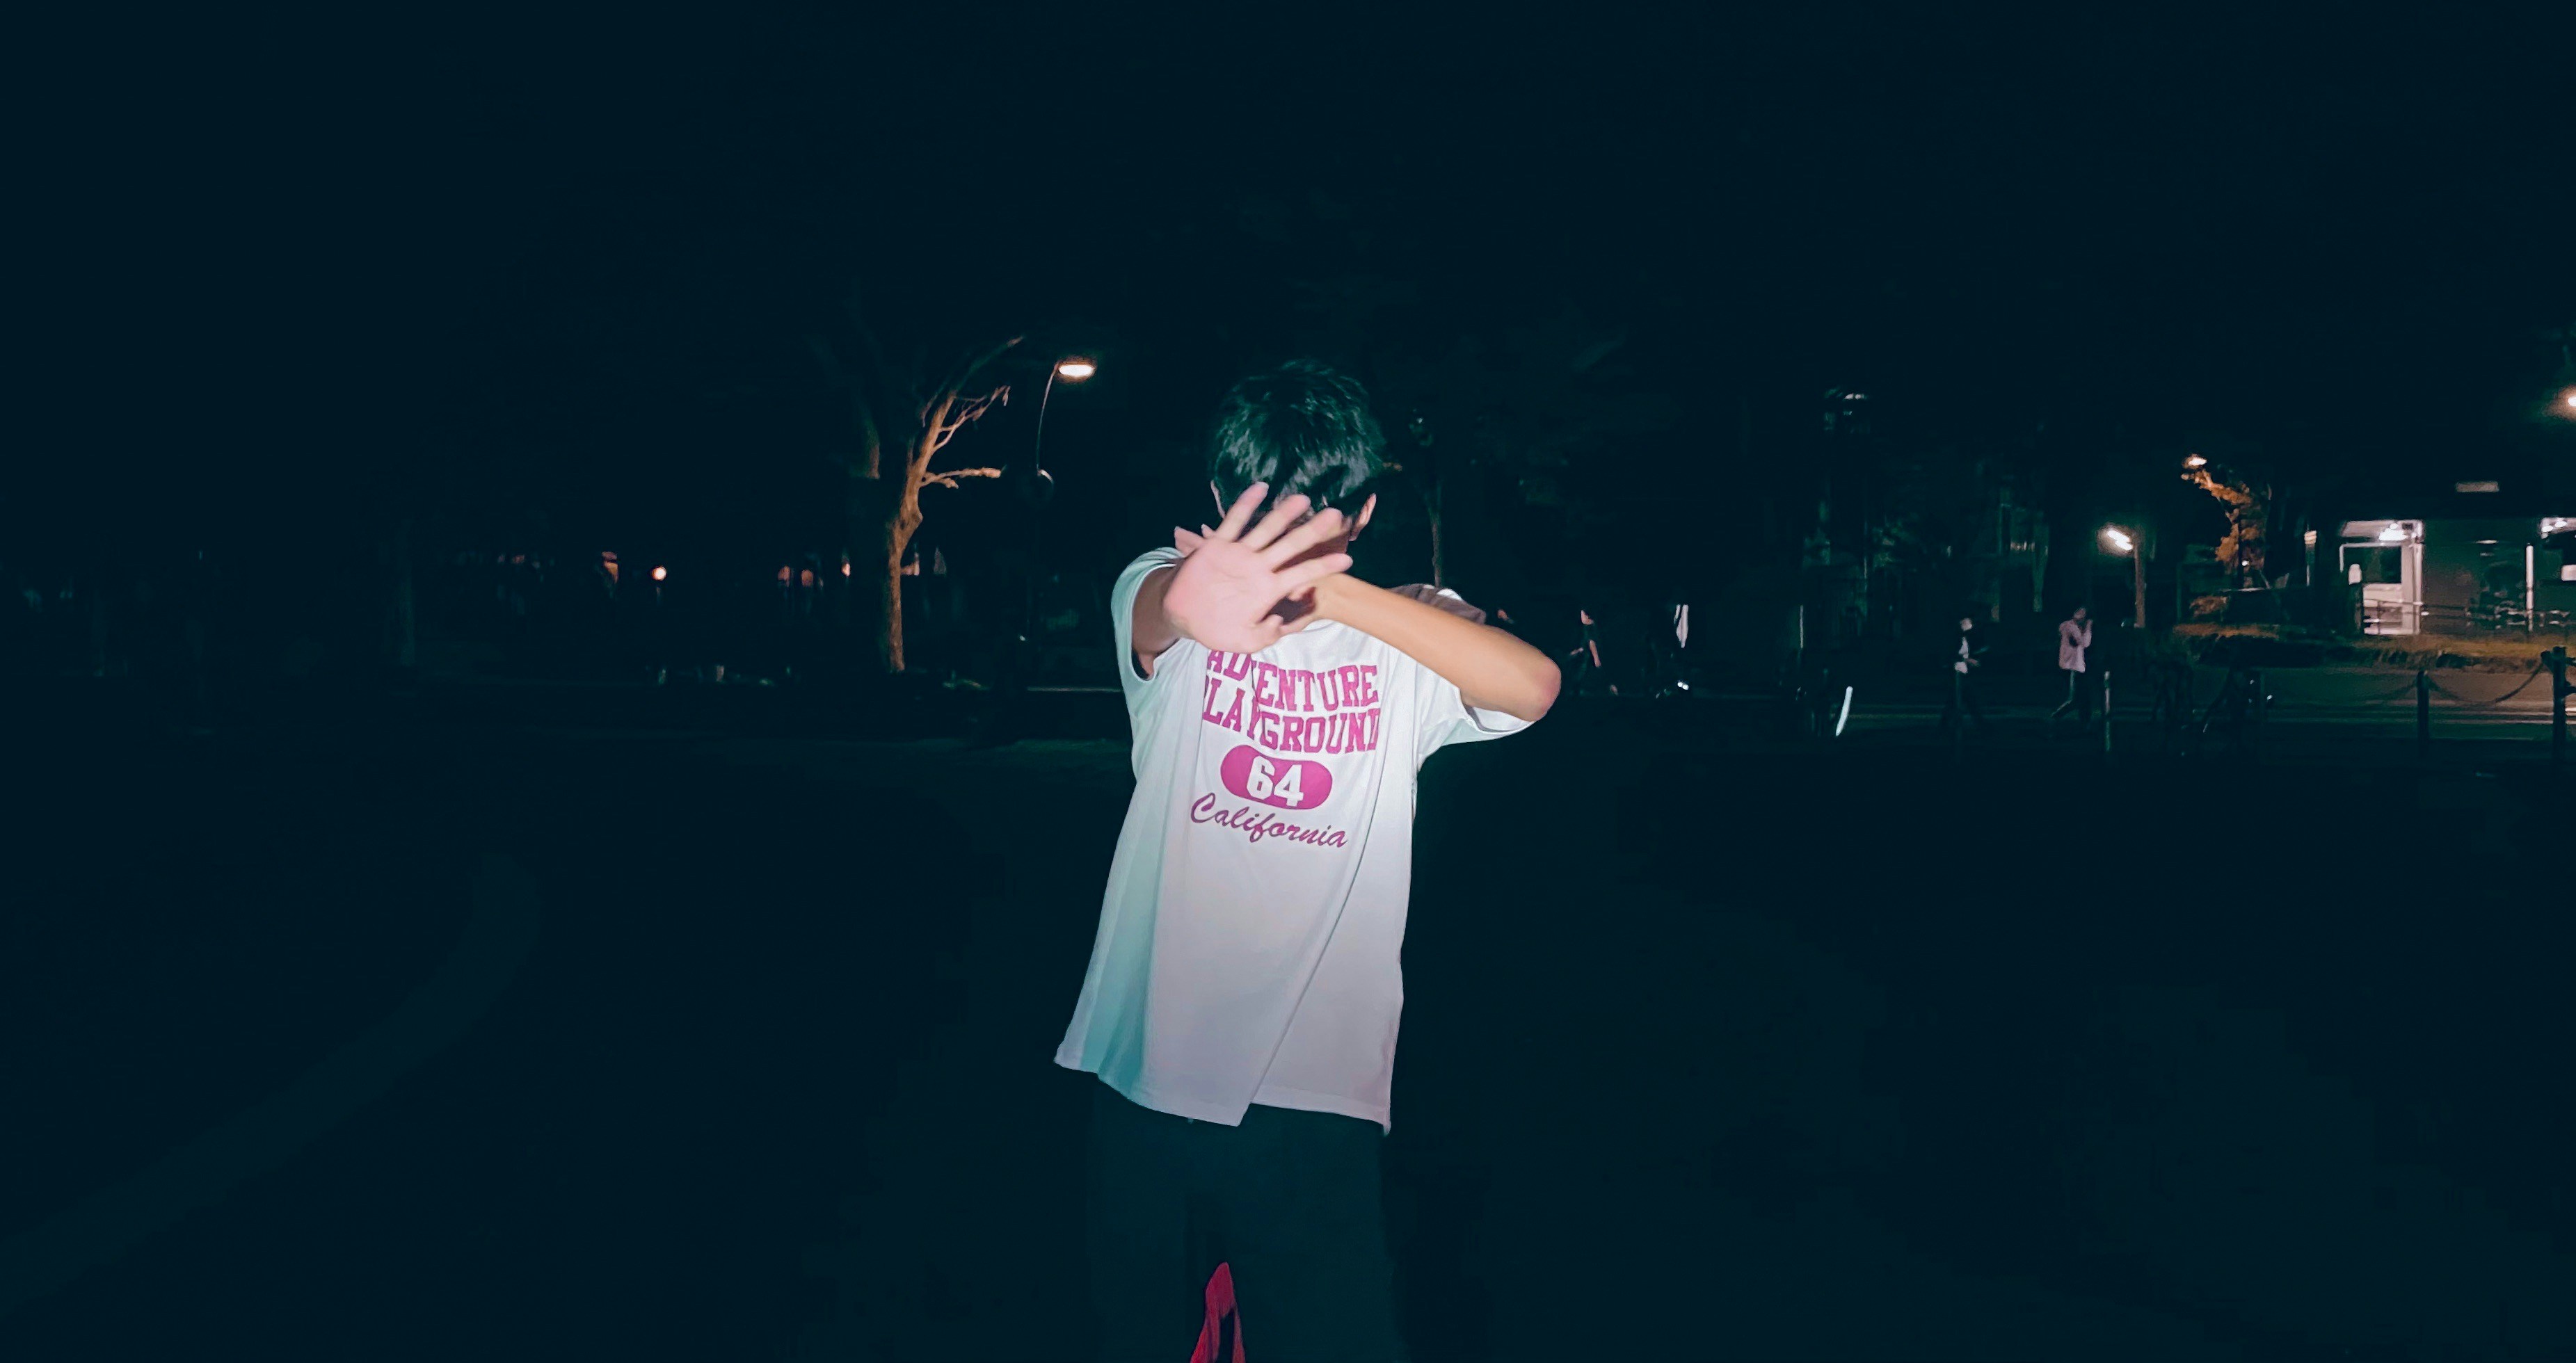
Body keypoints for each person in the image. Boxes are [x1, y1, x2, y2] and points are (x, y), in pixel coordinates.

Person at [1057, 361, 1559, 1362]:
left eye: (1319, 516)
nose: (1290, 535)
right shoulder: (1171, 592)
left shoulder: (1402, 638)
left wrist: (1329, 593)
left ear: (1363, 513)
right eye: (1263, 510)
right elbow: (1156, 611)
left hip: (1315, 1089)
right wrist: (1191, 595)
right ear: (1213, 500)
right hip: (1139, 1065)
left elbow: (1532, 686)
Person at [1940, 615, 1989, 733]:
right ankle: (1981, 726)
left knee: (1959, 700)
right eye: (1967, 622)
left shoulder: (1968, 637)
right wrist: (1968, 660)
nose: (1970, 625)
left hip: (1963, 673)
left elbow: (1971, 652)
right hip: (1956, 673)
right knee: (1964, 699)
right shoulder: (1954, 638)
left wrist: (1974, 659)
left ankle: (1943, 727)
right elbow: (1951, 655)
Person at [2049, 605, 2095, 725]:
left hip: (2075, 666)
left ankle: (2084, 722)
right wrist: (2089, 627)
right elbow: (2084, 643)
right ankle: (2055, 717)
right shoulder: (2070, 626)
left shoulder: (2069, 626)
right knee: (2076, 698)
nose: (2083, 614)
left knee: (2083, 697)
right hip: (2073, 666)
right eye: (2080, 612)